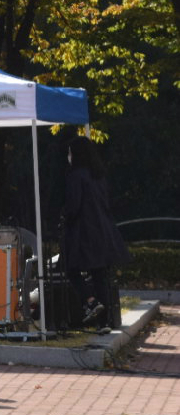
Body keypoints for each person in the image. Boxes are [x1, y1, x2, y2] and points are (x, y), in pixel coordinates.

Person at [61, 136, 127, 332]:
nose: (68, 157)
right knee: (100, 275)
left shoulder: (76, 176)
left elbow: (74, 206)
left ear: (76, 154)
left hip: (84, 232)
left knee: (71, 269)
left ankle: (90, 301)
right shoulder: (98, 175)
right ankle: (104, 321)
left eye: (70, 152)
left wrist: (65, 218)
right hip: (103, 230)